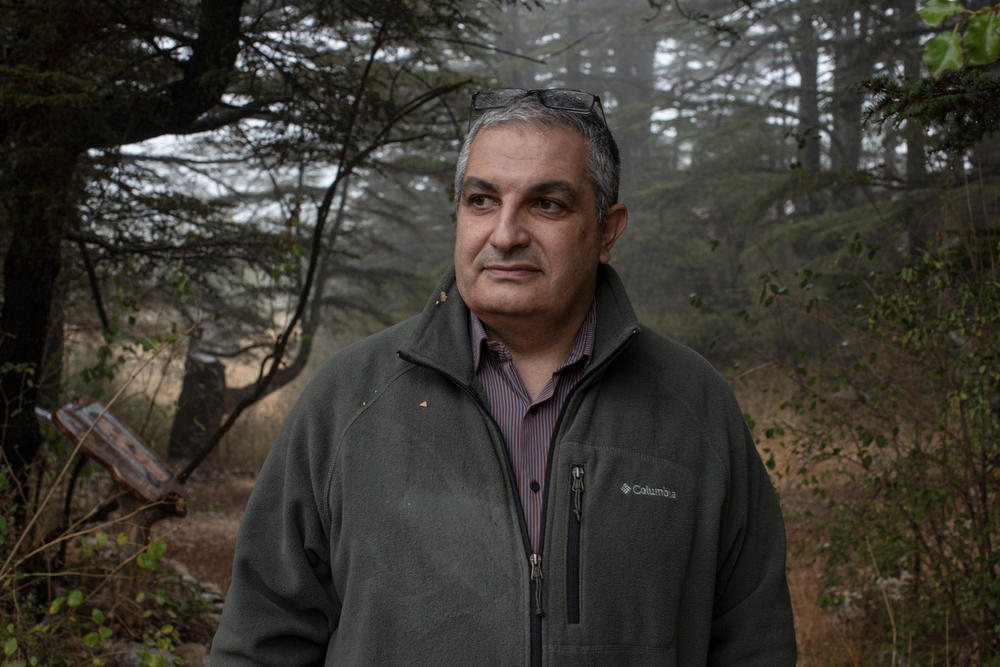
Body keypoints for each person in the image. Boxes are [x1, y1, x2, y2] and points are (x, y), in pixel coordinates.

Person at [211, 87, 796, 665]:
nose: (506, 234)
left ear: (607, 230)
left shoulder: (694, 405)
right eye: (482, 200)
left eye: (547, 204)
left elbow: (755, 644)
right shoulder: (349, 398)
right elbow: (261, 639)